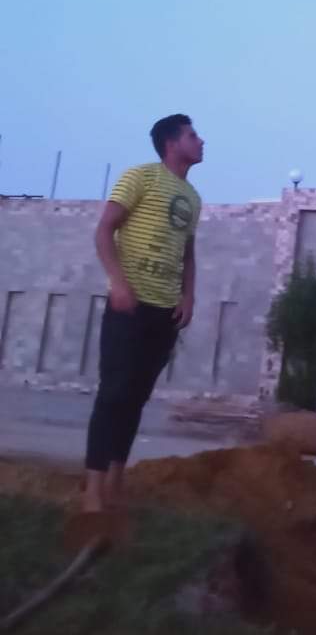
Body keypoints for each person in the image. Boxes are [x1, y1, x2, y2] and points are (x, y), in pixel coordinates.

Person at [82, 114, 204, 516]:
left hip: (165, 313)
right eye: (192, 135)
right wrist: (118, 283)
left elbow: (188, 254)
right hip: (129, 306)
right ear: (171, 143)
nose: (201, 141)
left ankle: (116, 484)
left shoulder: (192, 197)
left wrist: (188, 296)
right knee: (114, 394)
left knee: (136, 398)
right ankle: (92, 492)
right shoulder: (141, 177)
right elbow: (104, 231)